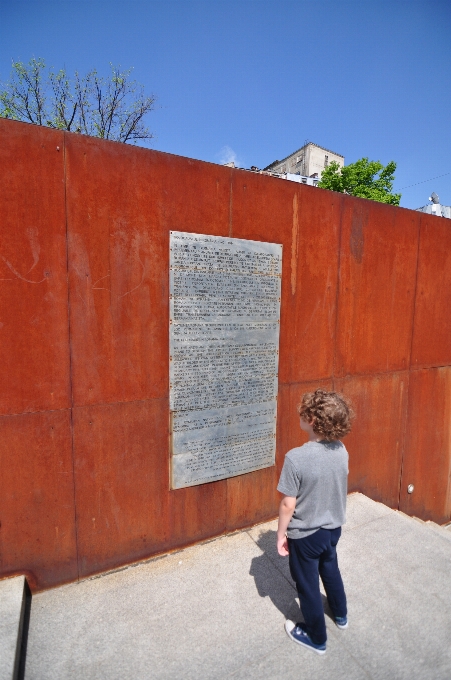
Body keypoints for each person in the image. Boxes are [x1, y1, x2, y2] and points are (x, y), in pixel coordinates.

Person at [277, 389, 354, 655]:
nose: (299, 414)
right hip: (333, 529)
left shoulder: (295, 458)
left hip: (306, 535)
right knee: (331, 570)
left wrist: (280, 535)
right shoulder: (341, 450)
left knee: (307, 585)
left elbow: (288, 504)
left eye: (303, 411)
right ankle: (341, 615)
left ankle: (316, 637)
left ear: (311, 420)